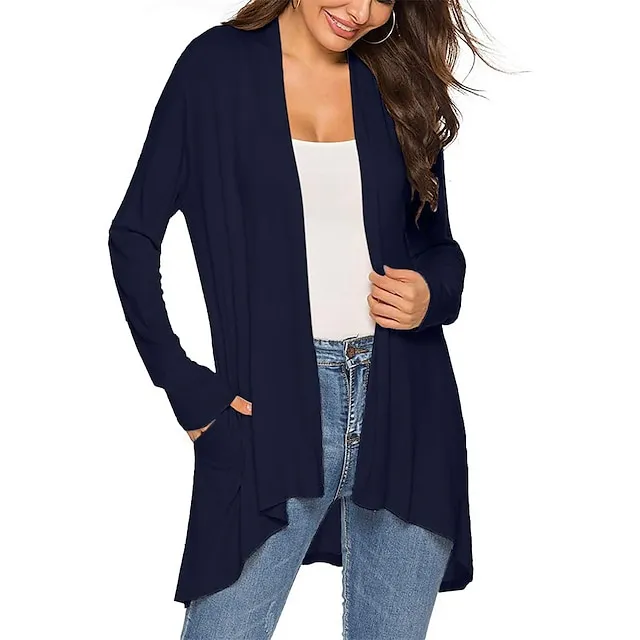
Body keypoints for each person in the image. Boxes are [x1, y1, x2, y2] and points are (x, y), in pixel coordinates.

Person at [108, 1, 494, 637]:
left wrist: (432, 293)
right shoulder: (214, 69)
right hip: (273, 412)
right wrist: (186, 387)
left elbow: (437, 246)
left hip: (408, 408)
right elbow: (133, 235)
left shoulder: (394, 77)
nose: (361, 11)